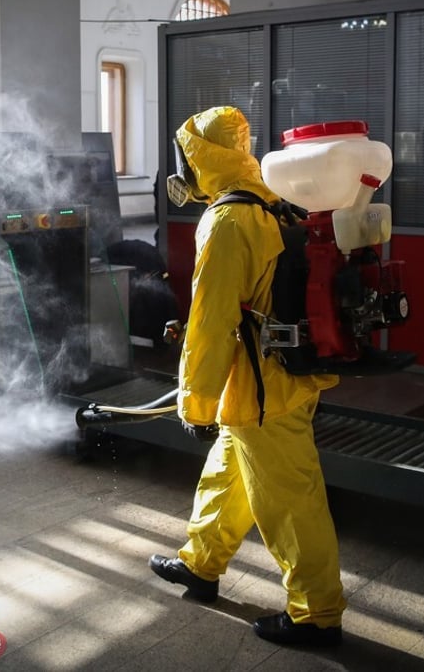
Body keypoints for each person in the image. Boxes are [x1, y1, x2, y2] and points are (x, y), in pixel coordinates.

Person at [148, 106, 347, 647]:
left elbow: (210, 324)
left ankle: (318, 614)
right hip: (275, 381)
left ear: (201, 160)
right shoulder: (273, 205)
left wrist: (194, 401)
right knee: (227, 475)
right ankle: (200, 565)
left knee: (290, 502)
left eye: (186, 157)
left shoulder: (227, 221)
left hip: (265, 393)